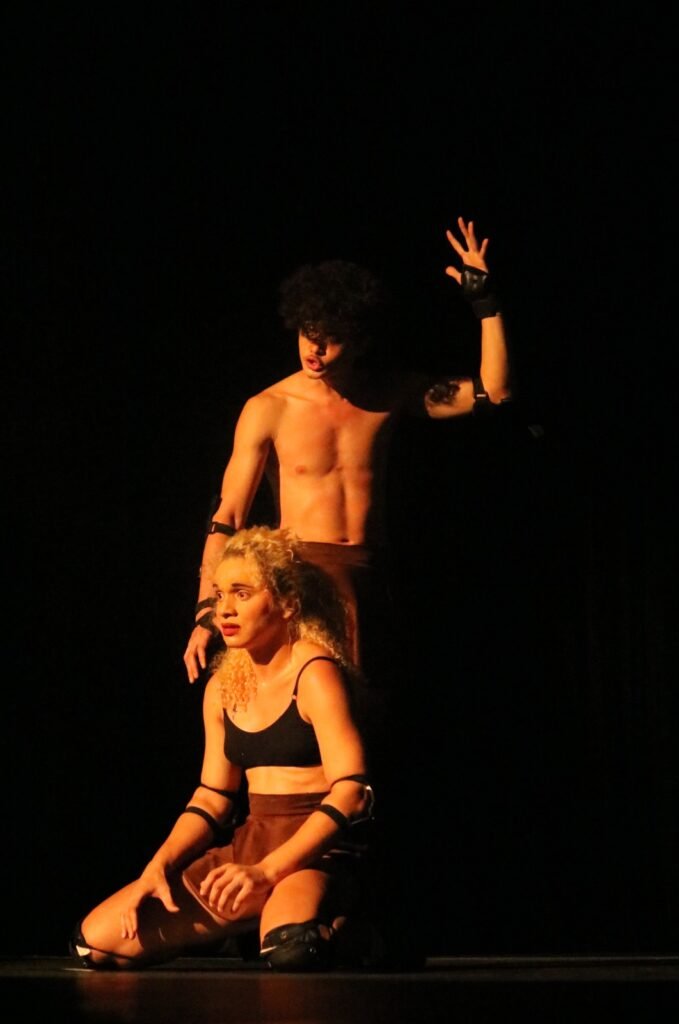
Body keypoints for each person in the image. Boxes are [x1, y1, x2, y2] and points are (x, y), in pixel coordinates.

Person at [183, 216, 513, 695]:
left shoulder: (387, 393)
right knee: (309, 707)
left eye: (331, 338)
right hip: (298, 581)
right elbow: (227, 516)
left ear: (359, 340)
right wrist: (205, 613)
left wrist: (486, 305)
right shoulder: (269, 408)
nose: (314, 349)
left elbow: (494, 393)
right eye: (307, 333)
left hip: (369, 580)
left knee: (371, 711)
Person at [69, 526, 380, 972]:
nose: (225, 609)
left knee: (292, 949)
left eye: (242, 593)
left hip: (318, 847)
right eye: (219, 595)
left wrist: (268, 872)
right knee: (95, 944)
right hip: (254, 841)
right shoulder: (221, 687)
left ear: (287, 603)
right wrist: (158, 866)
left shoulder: (314, 671)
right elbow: (212, 797)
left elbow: (352, 793)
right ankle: (253, 922)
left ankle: (356, 927)